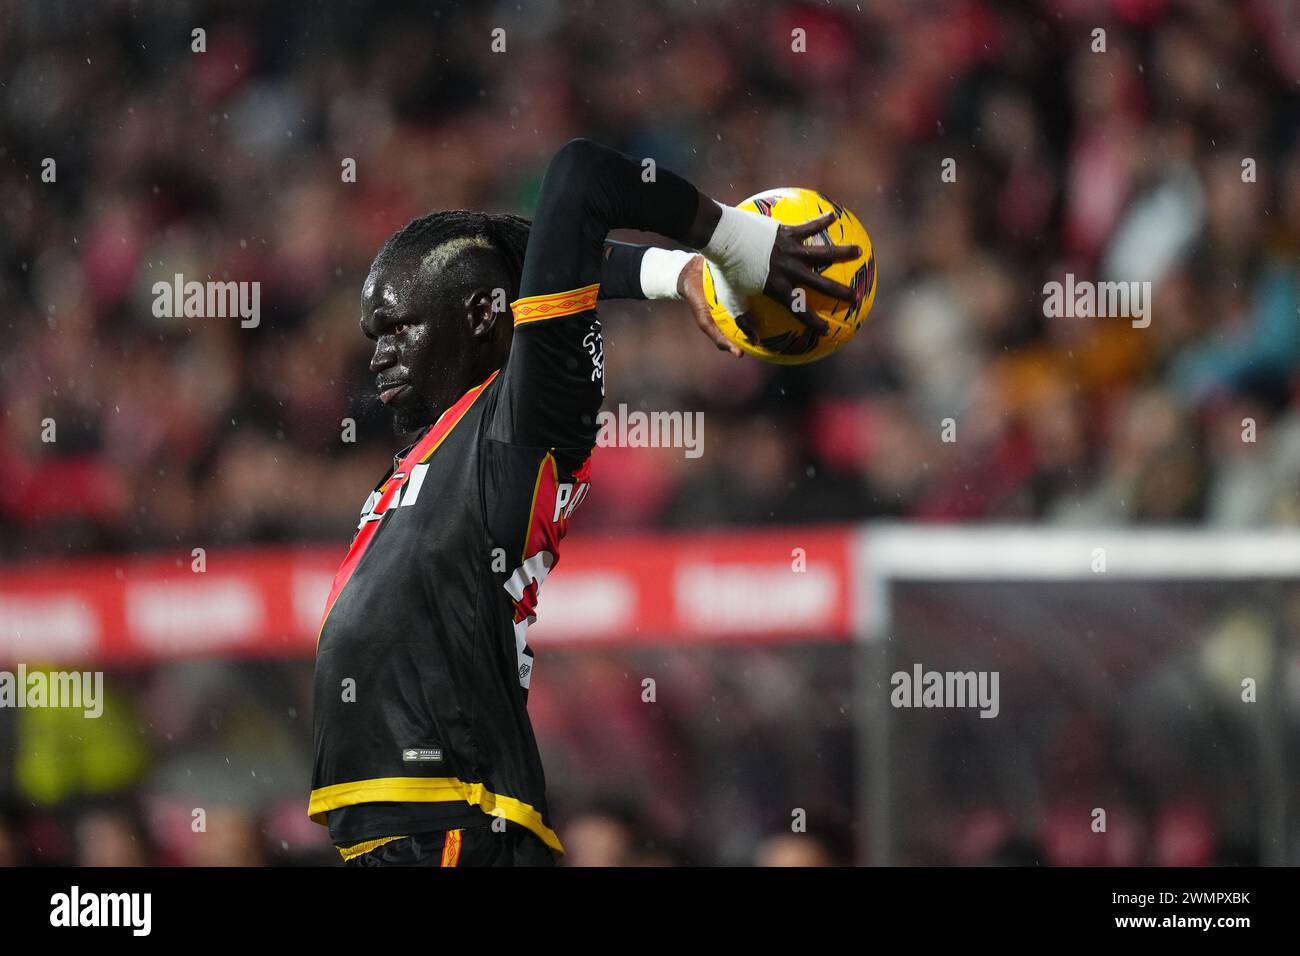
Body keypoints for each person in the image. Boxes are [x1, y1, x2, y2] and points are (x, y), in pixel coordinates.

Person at [309, 138, 861, 866]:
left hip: (455, 822)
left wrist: (740, 246)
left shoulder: (526, 419)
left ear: (481, 314)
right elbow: (538, 256)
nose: (378, 354)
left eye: (398, 327)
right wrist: (671, 271)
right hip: (395, 833)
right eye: (373, 336)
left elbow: (578, 179)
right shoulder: (436, 444)